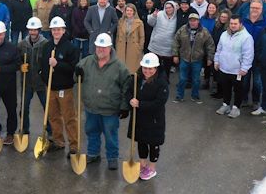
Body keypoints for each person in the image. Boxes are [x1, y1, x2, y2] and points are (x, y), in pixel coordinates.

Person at [75, 33, 131, 170]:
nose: (100, 50)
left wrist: (125, 107)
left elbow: (127, 88)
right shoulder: (86, 62)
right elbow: (77, 78)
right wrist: (76, 74)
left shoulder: (120, 67)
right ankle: (93, 153)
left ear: (110, 48)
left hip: (110, 109)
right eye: (98, 47)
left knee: (110, 134)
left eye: (104, 47)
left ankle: (112, 157)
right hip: (91, 107)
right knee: (91, 131)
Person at [39, 17, 80, 154]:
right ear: (51, 30)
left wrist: (58, 64)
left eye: (59, 29)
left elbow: (73, 68)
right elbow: (43, 65)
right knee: (53, 116)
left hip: (64, 89)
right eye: (54, 29)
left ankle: (73, 145)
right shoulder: (46, 46)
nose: (56, 31)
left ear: (63, 30)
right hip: (50, 88)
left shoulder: (70, 48)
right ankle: (58, 141)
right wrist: (44, 78)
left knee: (69, 117)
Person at [128, 53, 169, 181]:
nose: (147, 71)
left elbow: (159, 102)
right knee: (141, 141)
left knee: (153, 143)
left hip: (154, 120)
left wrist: (140, 104)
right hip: (140, 118)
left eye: (150, 68)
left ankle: (151, 168)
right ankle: (142, 163)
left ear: (156, 68)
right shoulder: (136, 78)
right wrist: (130, 100)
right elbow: (129, 91)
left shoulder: (161, 83)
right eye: (145, 67)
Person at [214, 16, 254, 118]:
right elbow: (219, 49)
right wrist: (216, 61)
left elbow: (248, 54)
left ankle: (236, 108)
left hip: (237, 70)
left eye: (235, 24)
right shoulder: (224, 34)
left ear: (240, 24)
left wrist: (244, 68)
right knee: (226, 87)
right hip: (224, 67)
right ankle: (225, 105)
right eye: (231, 23)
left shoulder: (246, 37)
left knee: (238, 90)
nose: (233, 25)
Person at [172, 13, 215, 102]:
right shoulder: (182, 29)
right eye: (191, 20)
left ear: (198, 21)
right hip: (184, 58)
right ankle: (179, 96)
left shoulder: (204, 31)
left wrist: (210, 58)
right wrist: (175, 55)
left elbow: (210, 45)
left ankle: (195, 96)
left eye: (195, 20)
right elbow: (175, 42)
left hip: (197, 59)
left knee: (196, 80)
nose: (192, 22)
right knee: (182, 79)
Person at [18, 17, 49, 137]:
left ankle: (51, 131)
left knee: (47, 109)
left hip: (41, 82)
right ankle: (24, 129)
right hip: (27, 82)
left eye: (35, 30)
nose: (33, 32)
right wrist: (20, 66)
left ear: (39, 30)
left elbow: (47, 63)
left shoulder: (45, 44)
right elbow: (17, 60)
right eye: (31, 30)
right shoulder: (22, 45)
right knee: (24, 108)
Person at [242, 1, 266, 110]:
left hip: (259, 57)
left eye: (257, 8)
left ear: (261, 9)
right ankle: (244, 99)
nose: (254, 10)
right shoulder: (243, 20)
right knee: (245, 80)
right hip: (245, 56)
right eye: (253, 7)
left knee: (257, 81)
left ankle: (256, 101)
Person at [147, 1, 178, 72]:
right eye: (166, 8)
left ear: (173, 8)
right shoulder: (159, 14)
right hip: (155, 46)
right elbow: (150, 23)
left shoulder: (177, 17)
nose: (168, 9)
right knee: (154, 68)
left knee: (166, 69)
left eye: (170, 8)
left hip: (168, 49)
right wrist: (153, 16)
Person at [114, 3, 144, 73]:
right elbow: (118, 35)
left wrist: (140, 48)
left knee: (132, 69)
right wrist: (117, 46)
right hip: (122, 46)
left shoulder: (139, 23)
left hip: (133, 47)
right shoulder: (121, 21)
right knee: (121, 67)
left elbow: (142, 37)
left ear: (134, 12)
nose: (129, 12)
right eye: (127, 10)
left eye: (131, 11)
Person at [208, 9, 231, 98]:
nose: (223, 18)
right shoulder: (217, 26)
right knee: (216, 74)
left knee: (222, 76)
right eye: (222, 16)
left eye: (225, 17)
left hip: (224, 53)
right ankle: (218, 91)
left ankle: (223, 93)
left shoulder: (228, 28)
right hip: (215, 51)